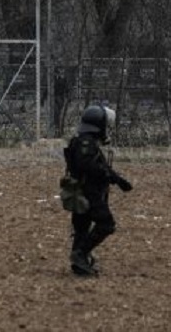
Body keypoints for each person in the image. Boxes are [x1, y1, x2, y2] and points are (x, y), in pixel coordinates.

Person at [64, 104, 133, 276]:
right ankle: (80, 254)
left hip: (82, 191)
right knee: (106, 224)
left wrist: (117, 179)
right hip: (89, 192)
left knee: (82, 227)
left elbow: (94, 165)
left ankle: (79, 263)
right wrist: (111, 177)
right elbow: (89, 166)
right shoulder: (85, 143)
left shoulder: (83, 141)